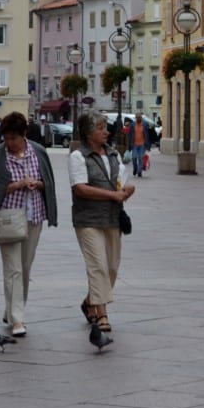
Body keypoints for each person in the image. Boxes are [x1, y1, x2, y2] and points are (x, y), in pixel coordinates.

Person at [0, 112, 58, 338]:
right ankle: (18, 320)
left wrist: (37, 184)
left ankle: (11, 310)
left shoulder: (38, 152)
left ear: (25, 134)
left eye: (14, 138)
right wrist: (18, 184)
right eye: (6, 138)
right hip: (8, 217)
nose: (9, 142)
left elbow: (48, 183)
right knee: (13, 269)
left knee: (25, 266)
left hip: (34, 217)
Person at [69, 112, 133, 339]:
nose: (106, 131)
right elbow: (80, 188)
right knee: (98, 266)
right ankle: (102, 314)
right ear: (88, 133)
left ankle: (90, 302)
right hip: (88, 220)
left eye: (105, 127)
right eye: (100, 128)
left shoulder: (114, 154)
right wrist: (111, 195)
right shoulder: (78, 157)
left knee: (112, 267)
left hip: (113, 218)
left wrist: (127, 190)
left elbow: (122, 182)